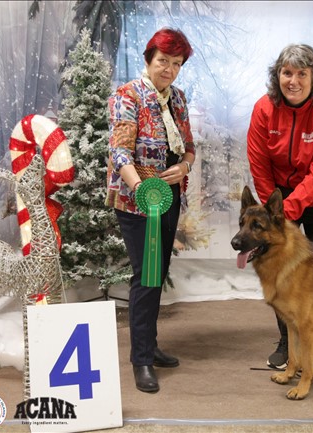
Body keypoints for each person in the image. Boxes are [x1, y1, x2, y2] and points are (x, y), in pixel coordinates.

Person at [246, 44, 313, 374]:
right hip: (279, 197)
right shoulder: (264, 109)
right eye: (287, 73)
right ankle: (286, 343)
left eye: (302, 74)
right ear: (277, 76)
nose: (294, 81)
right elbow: (259, 164)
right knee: (280, 268)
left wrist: (286, 209)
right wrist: (273, 212)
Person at [105, 28, 195, 393]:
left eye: (176, 63)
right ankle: (140, 359)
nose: (169, 69)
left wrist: (185, 166)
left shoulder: (178, 99)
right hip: (137, 199)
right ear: (148, 59)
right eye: (163, 61)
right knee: (146, 276)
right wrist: (142, 188)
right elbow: (119, 152)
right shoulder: (127, 96)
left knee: (158, 273)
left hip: (169, 196)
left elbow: (189, 147)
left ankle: (150, 344)